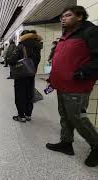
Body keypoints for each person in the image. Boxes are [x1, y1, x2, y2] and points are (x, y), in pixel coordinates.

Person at [45, 6, 98, 167]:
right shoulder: (66, 35)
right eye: (62, 16)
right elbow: (62, 59)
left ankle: (96, 145)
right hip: (62, 84)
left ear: (80, 16)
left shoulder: (90, 32)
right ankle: (66, 143)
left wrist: (82, 73)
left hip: (77, 85)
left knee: (77, 117)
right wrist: (52, 79)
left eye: (68, 15)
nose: (63, 18)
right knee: (65, 115)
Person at [7, 30, 42, 122]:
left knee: (20, 95)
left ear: (23, 36)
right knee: (29, 94)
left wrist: (9, 58)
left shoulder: (21, 46)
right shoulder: (37, 46)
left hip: (21, 75)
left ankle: (21, 116)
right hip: (31, 74)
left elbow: (11, 60)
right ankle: (28, 115)